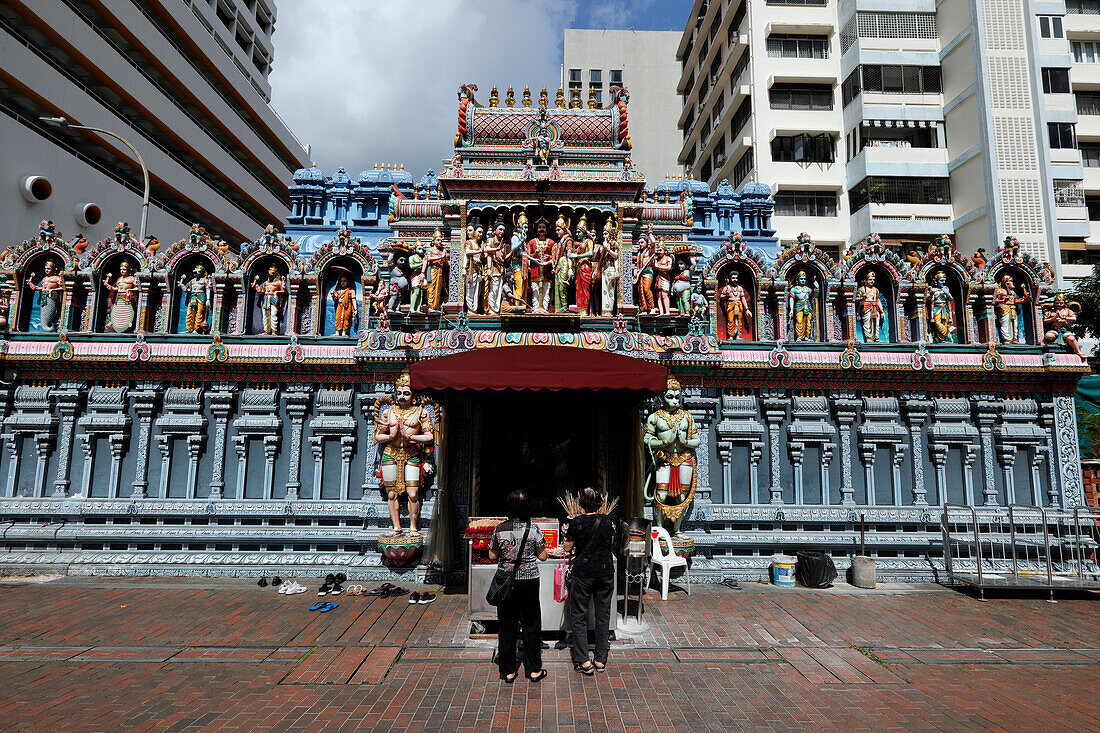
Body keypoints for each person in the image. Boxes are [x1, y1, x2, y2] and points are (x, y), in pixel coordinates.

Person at [488, 490, 548, 684]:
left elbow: (492, 556)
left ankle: (508, 671)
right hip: (529, 580)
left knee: (507, 625)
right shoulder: (533, 528)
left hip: (507, 580)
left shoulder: (500, 529)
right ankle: (533, 670)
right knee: (531, 624)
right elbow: (543, 556)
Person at [563, 487, 616, 676]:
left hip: (583, 573)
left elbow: (568, 547)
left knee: (579, 616)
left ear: (581, 503)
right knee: (602, 615)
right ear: (600, 502)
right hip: (604, 572)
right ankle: (600, 659)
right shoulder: (608, 521)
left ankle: (584, 660)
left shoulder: (576, 522)